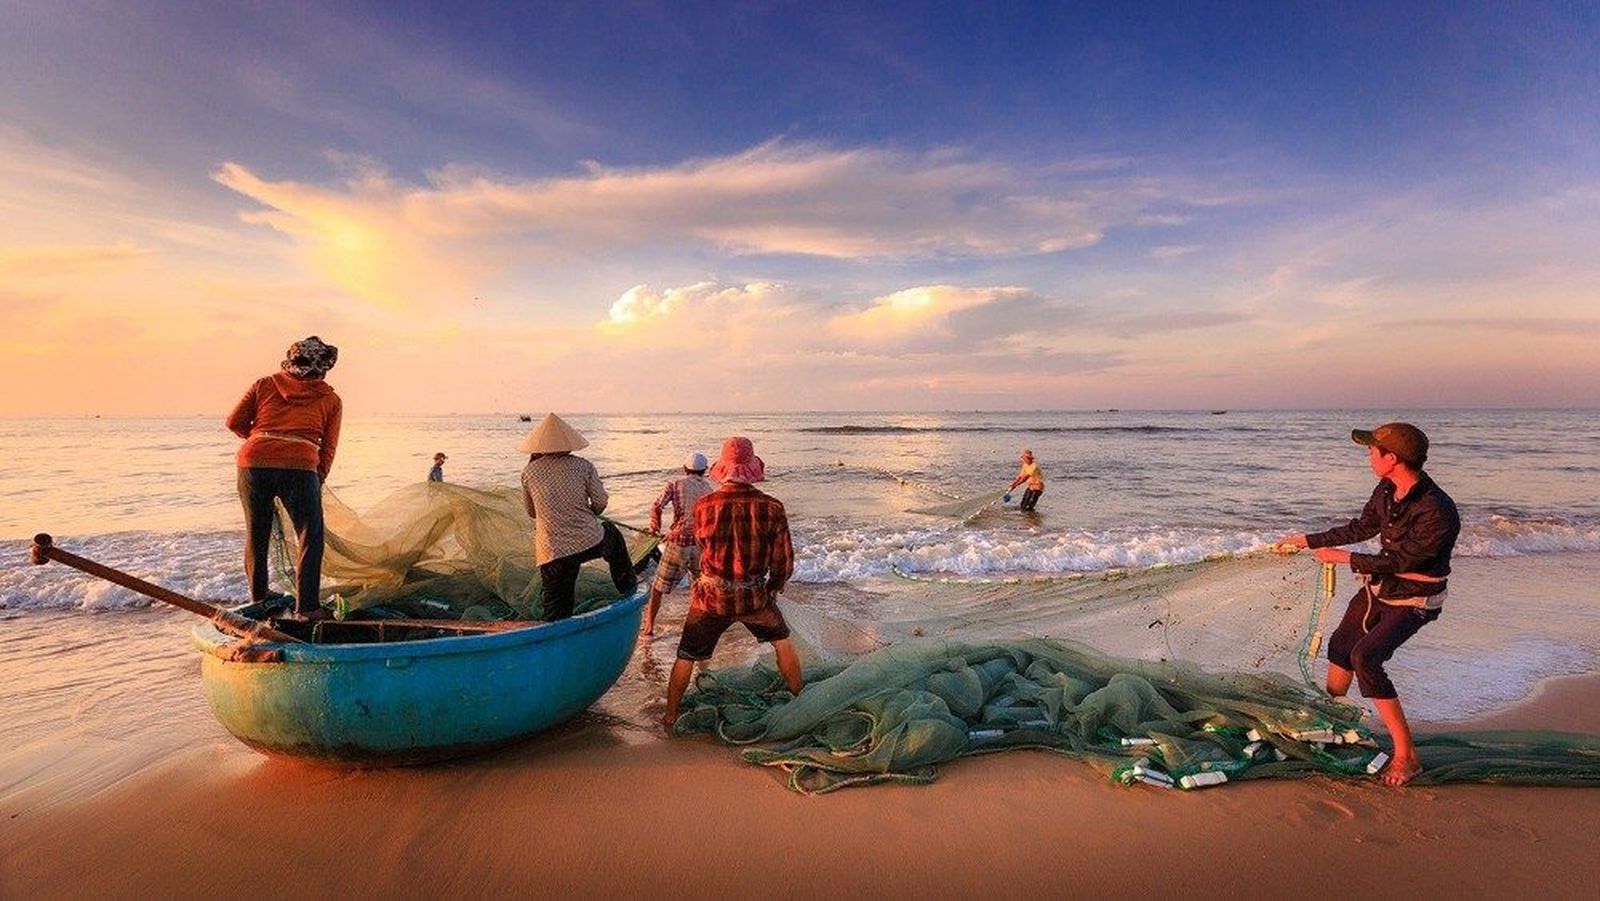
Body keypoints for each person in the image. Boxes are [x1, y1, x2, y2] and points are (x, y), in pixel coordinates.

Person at [1279, 422, 1459, 787]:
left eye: (1372, 450)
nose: (1368, 456)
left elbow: (1401, 563)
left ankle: (1407, 756)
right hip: (1381, 587)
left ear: (1391, 458)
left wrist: (1343, 560)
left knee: (1367, 657)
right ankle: (1332, 723)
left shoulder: (1437, 511)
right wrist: (1308, 540)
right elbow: (1362, 528)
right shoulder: (1387, 488)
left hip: (1415, 598)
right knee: (1341, 647)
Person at [663, 437, 803, 728]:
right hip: (754, 596)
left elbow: (703, 548)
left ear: (722, 470)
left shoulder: (703, 506)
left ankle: (671, 715)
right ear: (752, 469)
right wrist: (773, 586)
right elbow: (783, 562)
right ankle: (801, 702)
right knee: (782, 643)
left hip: (710, 598)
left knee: (686, 655)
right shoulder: (772, 507)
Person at [226, 336, 343, 620]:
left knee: (257, 533)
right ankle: (307, 608)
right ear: (324, 366)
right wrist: (319, 476)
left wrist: (261, 438)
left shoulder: (264, 384)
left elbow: (233, 422)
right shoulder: (330, 399)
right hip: (300, 466)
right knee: (309, 534)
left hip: (253, 463)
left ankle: (260, 598)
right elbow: (328, 447)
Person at [517, 413, 637, 621]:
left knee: (555, 609)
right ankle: (628, 588)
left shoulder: (529, 472)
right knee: (612, 535)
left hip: (552, 549)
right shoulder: (584, 466)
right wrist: (590, 512)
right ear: (568, 443)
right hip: (588, 540)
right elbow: (600, 502)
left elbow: (531, 512)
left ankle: (555, 642)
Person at [642, 451, 716, 636]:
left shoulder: (675, 484)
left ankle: (649, 627)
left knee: (658, 587)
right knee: (698, 587)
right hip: (701, 546)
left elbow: (656, 506)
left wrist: (655, 527)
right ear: (704, 470)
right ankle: (698, 625)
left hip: (678, 543)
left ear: (685, 469)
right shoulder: (709, 490)